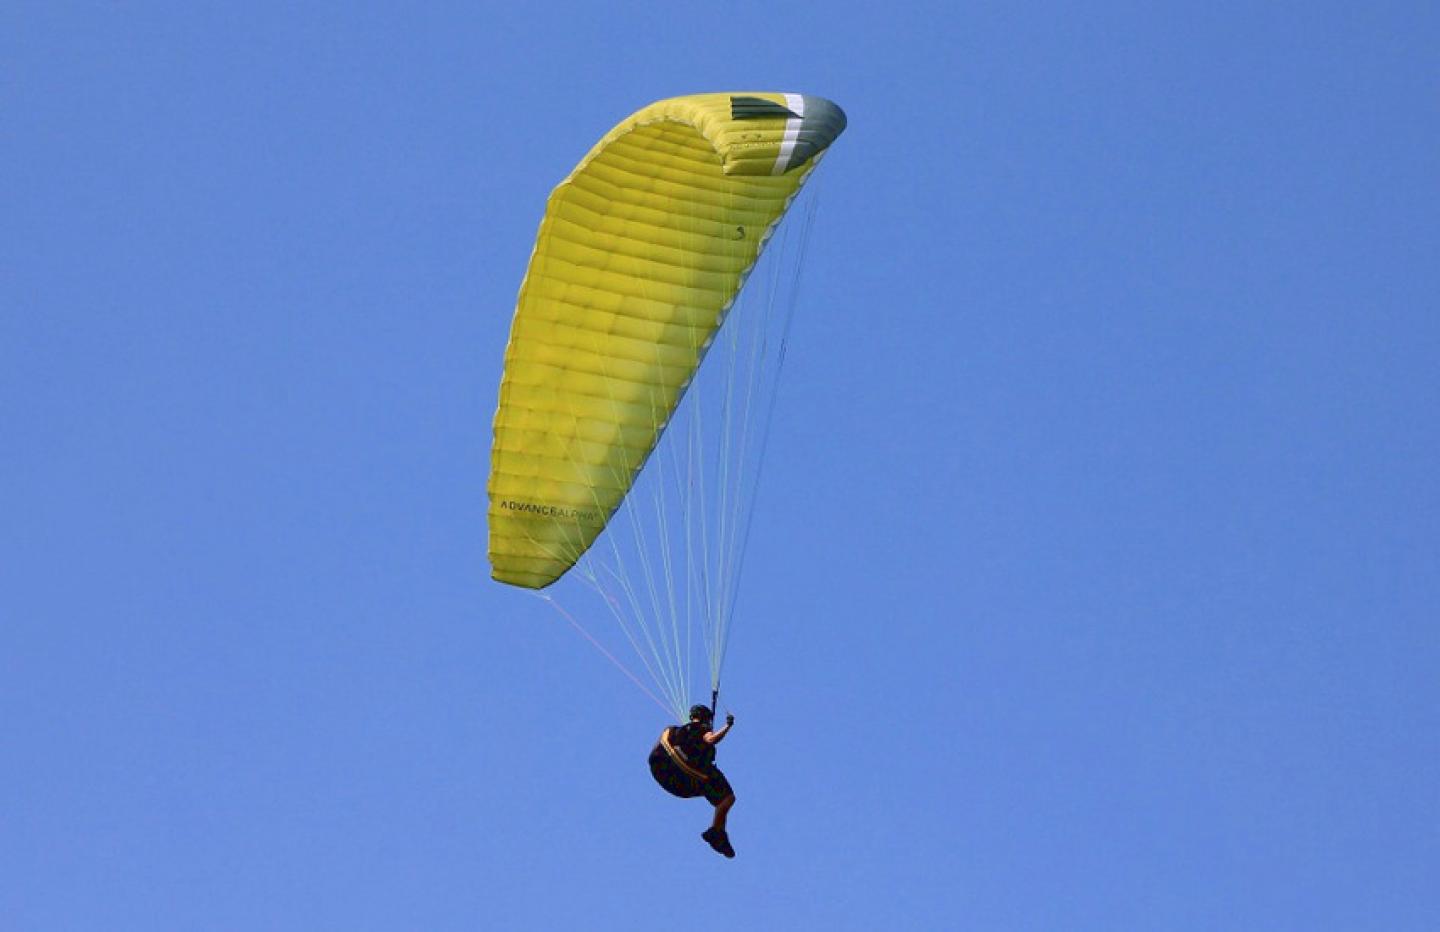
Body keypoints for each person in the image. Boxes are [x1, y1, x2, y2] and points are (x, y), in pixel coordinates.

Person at [648, 704, 737, 857]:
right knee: (728, 798)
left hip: (662, 769)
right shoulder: (702, 729)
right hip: (685, 778)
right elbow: (711, 739)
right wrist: (728, 726)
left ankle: (718, 833)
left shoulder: (678, 731)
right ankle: (716, 832)